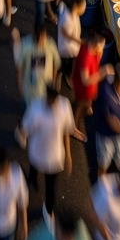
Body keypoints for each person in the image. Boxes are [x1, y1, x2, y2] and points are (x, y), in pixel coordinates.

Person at [22, 84, 74, 227]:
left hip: (54, 158)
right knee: (34, 170)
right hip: (37, 153)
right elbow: (25, 129)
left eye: (54, 101)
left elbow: (66, 131)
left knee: (51, 188)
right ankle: (32, 180)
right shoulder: (35, 108)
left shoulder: (65, 106)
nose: (52, 104)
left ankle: (48, 209)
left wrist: (68, 155)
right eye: (50, 101)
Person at [73, 32, 108, 135]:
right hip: (84, 87)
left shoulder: (90, 48)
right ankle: (74, 125)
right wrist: (103, 72)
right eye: (102, 47)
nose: (103, 49)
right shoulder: (86, 58)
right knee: (82, 105)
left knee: (85, 103)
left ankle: (78, 114)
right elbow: (86, 80)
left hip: (89, 84)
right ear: (95, 46)